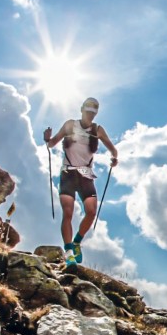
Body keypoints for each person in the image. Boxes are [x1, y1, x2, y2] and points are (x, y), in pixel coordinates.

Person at [43, 97, 118, 268]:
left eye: (93, 112)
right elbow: (52, 143)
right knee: (68, 213)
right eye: (88, 111)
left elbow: (113, 148)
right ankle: (69, 252)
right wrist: (47, 139)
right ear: (82, 110)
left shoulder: (97, 129)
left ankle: (77, 242)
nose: (90, 115)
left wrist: (114, 158)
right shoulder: (70, 125)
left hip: (85, 174)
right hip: (68, 173)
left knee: (91, 211)